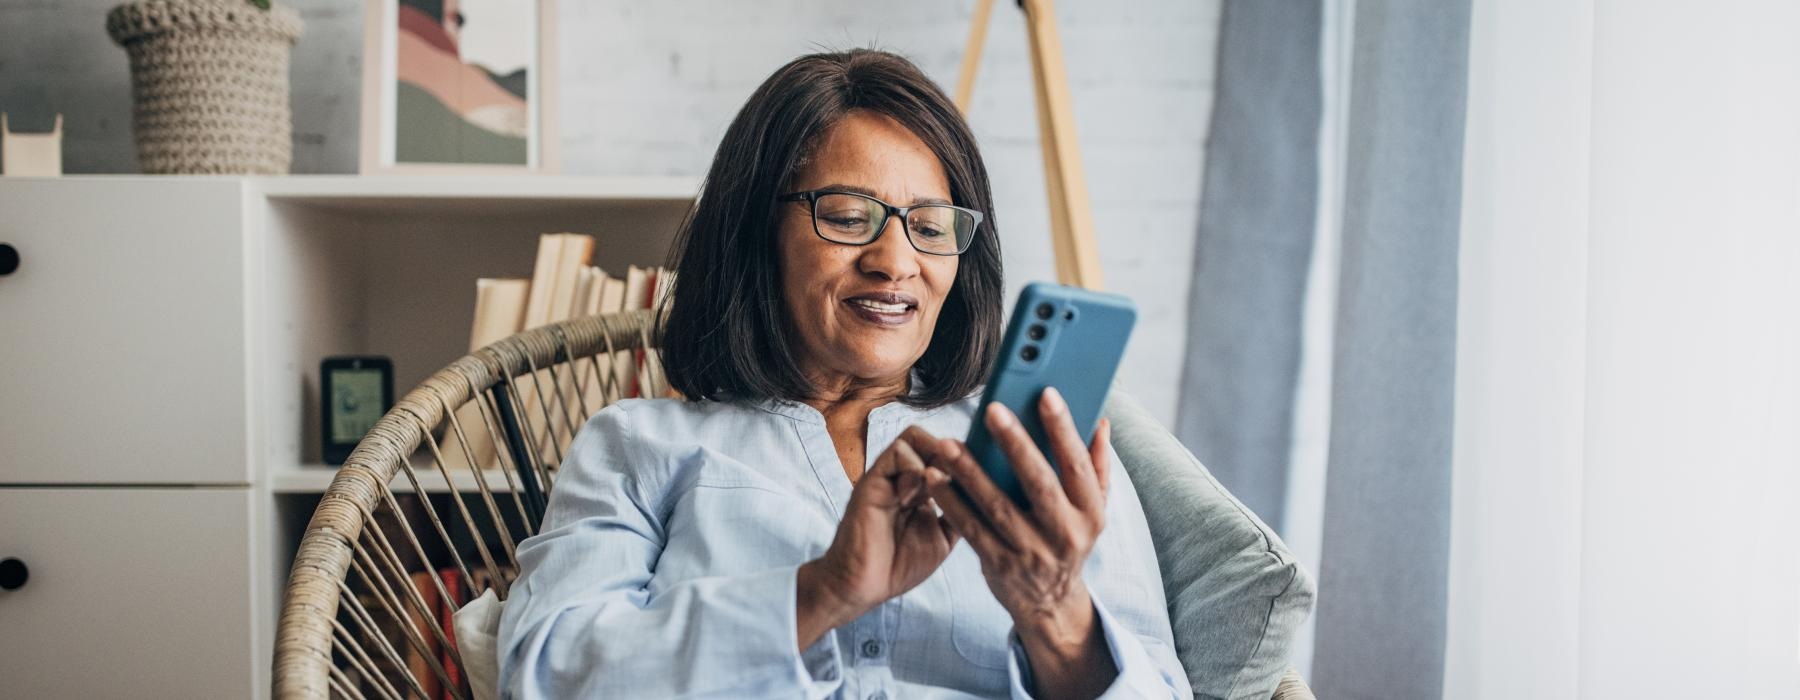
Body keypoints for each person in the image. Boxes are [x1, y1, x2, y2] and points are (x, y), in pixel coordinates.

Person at [498, 49, 1189, 699]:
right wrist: (822, 591)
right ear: (755, 233)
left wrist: (1053, 609)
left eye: (931, 224)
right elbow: (545, 675)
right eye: (851, 217)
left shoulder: (1040, 449)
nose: (895, 260)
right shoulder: (639, 444)